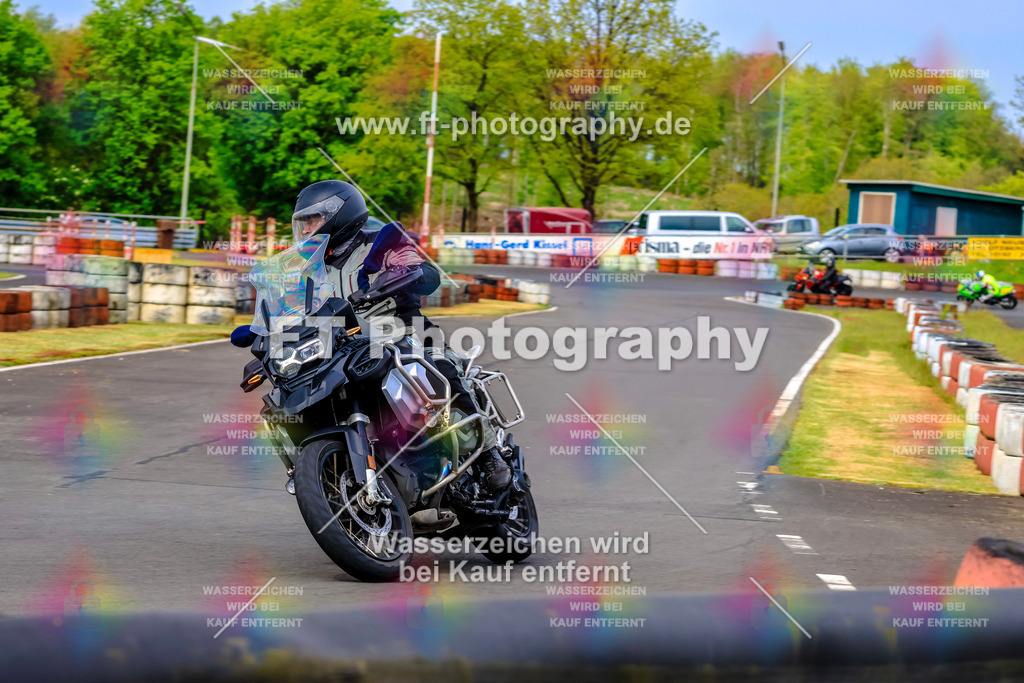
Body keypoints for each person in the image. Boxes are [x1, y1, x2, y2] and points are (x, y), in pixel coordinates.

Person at [290, 179, 511, 490]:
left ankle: (489, 454)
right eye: (303, 222)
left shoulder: (379, 244)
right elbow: (294, 312)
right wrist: (268, 333)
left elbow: (428, 275)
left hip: (404, 331)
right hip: (346, 348)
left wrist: (409, 269)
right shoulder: (310, 271)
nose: (306, 229)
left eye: (313, 220)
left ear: (337, 215)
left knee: (441, 367)